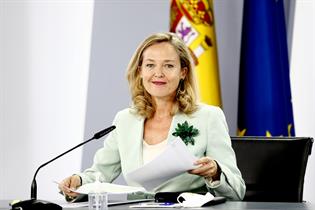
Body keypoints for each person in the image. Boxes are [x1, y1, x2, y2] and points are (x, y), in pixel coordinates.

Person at [59, 32, 245, 201]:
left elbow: (237, 191)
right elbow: (99, 174)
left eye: (168, 65)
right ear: (140, 71)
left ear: (183, 72)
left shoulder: (208, 117)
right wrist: (77, 181)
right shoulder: (125, 120)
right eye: (150, 65)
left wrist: (215, 172)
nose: (158, 73)